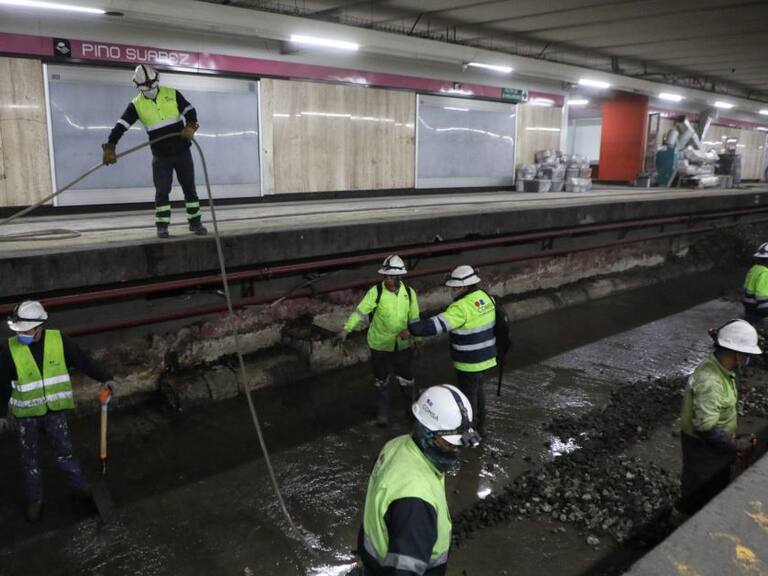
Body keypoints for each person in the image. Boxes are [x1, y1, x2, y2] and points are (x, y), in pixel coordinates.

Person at [0, 301, 116, 522]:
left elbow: (83, 361)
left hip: (54, 413)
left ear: (39, 326)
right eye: (19, 331)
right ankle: (35, 500)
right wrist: (0, 414)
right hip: (27, 416)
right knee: (29, 460)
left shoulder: (59, 341)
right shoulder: (9, 351)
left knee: (66, 454)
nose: (22, 334)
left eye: (27, 331)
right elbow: (1, 385)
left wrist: (106, 378)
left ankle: (81, 490)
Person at [358, 385, 479, 576]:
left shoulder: (397, 445)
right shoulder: (415, 498)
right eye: (449, 444)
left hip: (375, 560)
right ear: (426, 432)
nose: (456, 451)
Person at [102, 64, 207, 239]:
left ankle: (195, 223)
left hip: (182, 151)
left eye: (153, 86)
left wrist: (190, 125)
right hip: (161, 156)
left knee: (189, 188)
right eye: (146, 88)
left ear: (157, 80)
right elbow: (121, 126)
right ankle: (162, 226)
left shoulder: (172, 94)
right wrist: (110, 146)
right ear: (138, 87)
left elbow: (190, 110)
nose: (150, 90)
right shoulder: (136, 105)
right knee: (162, 192)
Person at [675, 319, 759, 520]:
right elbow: (705, 427)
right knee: (699, 490)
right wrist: (736, 445)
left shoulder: (721, 369)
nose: (747, 359)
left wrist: (734, 437)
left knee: (713, 485)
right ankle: (680, 523)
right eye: (746, 354)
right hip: (703, 448)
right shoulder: (711, 381)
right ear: (737, 355)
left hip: (714, 443)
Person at [408, 265, 496, 435]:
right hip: (487, 357)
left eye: (454, 288)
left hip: (470, 361)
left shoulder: (461, 307)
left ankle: (470, 431)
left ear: (464, 287)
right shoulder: (485, 297)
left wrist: (411, 329)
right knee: (478, 391)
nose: (452, 291)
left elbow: (436, 325)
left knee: (469, 396)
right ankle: (481, 427)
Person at [337, 255, 420, 426]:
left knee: (407, 380)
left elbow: (414, 319)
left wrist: (417, 338)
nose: (387, 280)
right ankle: (383, 413)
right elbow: (360, 312)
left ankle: (412, 411)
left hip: (402, 345)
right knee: (381, 380)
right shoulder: (376, 292)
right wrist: (346, 329)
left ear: (399, 277)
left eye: (391, 277)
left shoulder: (409, 293)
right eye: (386, 276)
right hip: (380, 345)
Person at [742, 242, 768, 327]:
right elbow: (763, 299)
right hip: (759, 309)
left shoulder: (754, 269)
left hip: (748, 307)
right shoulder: (765, 273)